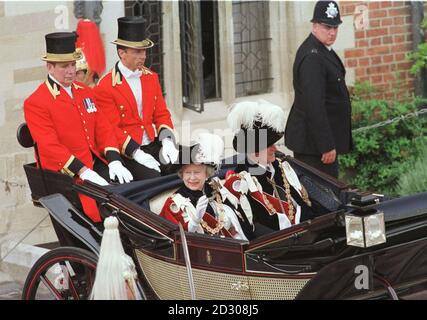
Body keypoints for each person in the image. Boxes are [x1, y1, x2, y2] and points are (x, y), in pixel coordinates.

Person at [23, 32, 132, 223]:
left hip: (95, 161)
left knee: (131, 187)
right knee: (110, 200)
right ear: (50, 67)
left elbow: (103, 127)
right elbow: (50, 145)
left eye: (73, 65)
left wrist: (114, 159)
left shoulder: (84, 92)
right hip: (67, 173)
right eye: (64, 66)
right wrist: (83, 171)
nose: (71, 71)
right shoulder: (36, 102)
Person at [94, 17, 179, 181]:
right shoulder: (105, 86)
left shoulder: (151, 77)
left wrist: (168, 140)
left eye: (144, 51)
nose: (143, 56)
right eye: (137, 52)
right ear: (122, 53)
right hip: (129, 151)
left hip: (153, 143)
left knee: (191, 164)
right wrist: (136, 152)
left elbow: (161, 113)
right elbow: (111, 128)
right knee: (156, 179)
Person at [226, 100, 326, 234]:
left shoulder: (280, 167)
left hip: (304, 232)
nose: (275, 148)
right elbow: (254, 227)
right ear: (255, 151)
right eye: (269, 145)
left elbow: (302, 203)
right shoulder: (241, 181)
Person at [285, 0, 352, 178]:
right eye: (326, 27)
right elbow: (314, 105)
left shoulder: (321, 50)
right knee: (321, 200)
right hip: (314, 148)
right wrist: (326, 145)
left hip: (317, 145)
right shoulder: (313, 57)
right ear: (314, 26)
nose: (332, 32)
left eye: (335, 27)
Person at [160, 133, 248, 241]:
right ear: (182, 175)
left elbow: (236, 223)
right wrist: (193, 224)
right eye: (187, 173)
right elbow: (171, 239)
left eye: (197, 172)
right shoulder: (174, 204)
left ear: (207, 174)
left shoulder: (216, 190)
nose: (192, 178)